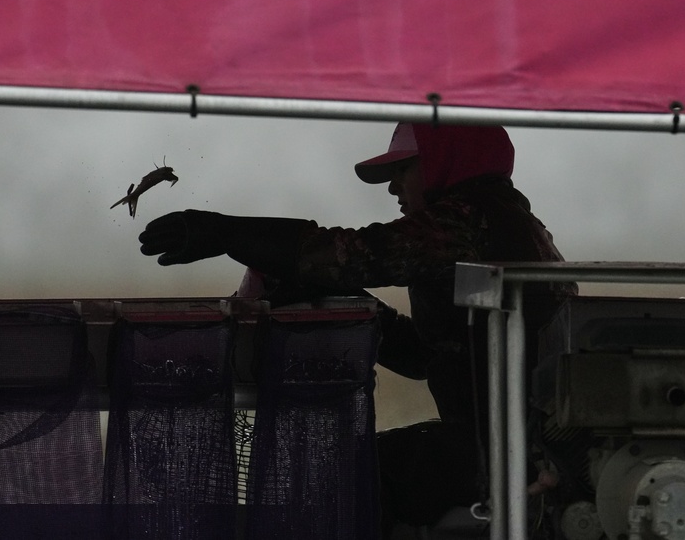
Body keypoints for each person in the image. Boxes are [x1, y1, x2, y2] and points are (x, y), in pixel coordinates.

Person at [138, 122, 575, 536]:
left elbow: (349, 254)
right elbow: (426, 357)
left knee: (345, 478)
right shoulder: (508, 225)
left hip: (504, 455)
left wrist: (224, 233)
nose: (393, 187)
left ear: (448, 162)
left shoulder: (466, 223)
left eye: (402, 169)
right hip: (518, 448)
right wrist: (360, 307)